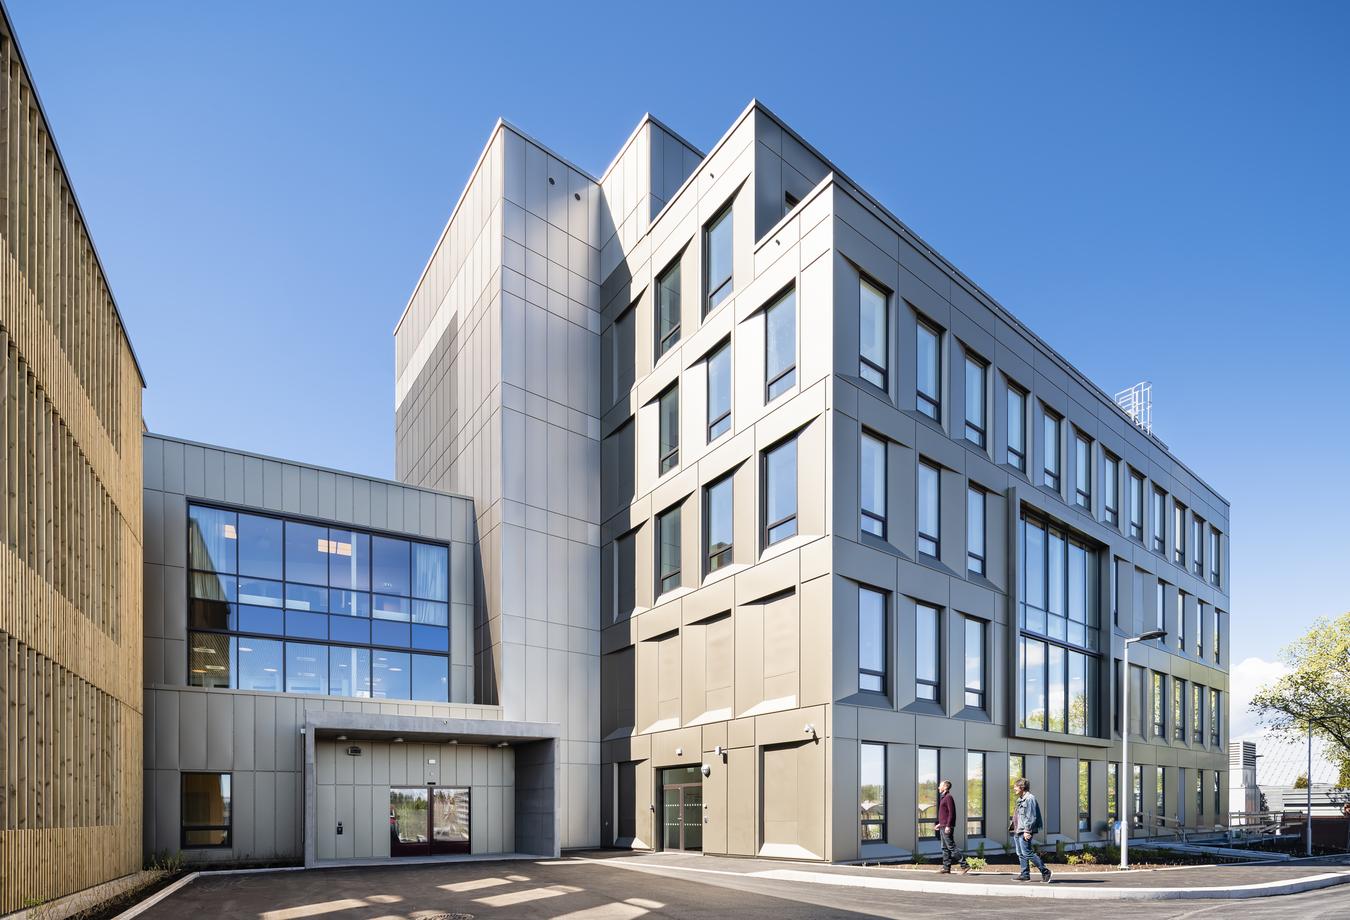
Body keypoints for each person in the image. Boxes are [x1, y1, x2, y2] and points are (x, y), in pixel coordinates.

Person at [1012, 777, 1052, 883]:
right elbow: (1018, 816)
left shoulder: (1030, 799)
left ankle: (1045, 871)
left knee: (1027, 852)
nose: (1014, 788)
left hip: (1025, 830)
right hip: (1018, 829)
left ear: (1022, 787)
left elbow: (1031, 816)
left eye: (1016, 786)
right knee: (1020, 853)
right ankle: (1025, 875)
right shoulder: (1020, 799)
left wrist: (1027, 831)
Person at [935, 780, 969, 874]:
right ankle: (946, 868)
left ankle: (965, 865)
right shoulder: (943, 797)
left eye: (940, 786)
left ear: (945, 787)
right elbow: (945, 814)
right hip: (943, 825)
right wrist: (940, 824)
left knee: (951, 847)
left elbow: (952, 813)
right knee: (944, 848)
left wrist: (948, 825)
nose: (938, 787)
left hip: (946, 827)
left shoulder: (948, 797)